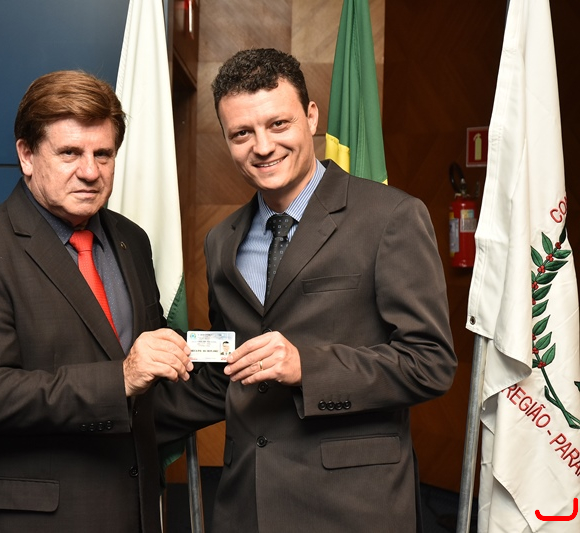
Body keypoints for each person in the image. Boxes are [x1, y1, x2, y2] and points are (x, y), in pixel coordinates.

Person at [155, 48, 457, 532]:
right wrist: (115, 406)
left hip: (353, 508)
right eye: (241, 133)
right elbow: (227, 372)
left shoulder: (391, 217)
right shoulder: (221, 242)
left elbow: (430, 363)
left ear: (311, 116)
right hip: (245, 503)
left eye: (278, 124)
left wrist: (306, 367)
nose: (262, 146)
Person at [0, 70, 193, 533]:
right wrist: (120, 378)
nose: (90, 171)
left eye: (103, 154)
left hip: (131, 514)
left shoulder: (131, 241)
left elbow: (150, 391)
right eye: (70, 153)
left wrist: (246, 374)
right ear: (26, 155)